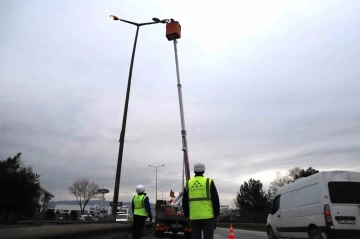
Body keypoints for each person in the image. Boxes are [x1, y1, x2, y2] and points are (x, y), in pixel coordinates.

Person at [182, 161, 220, 239]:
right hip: (208, 217)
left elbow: (185, 201)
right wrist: (216, 214)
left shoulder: (188, 183)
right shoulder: (208, 182)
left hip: (194, 217)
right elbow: (215, 199)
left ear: (194, 171)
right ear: (204, 171)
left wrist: (186, 215)